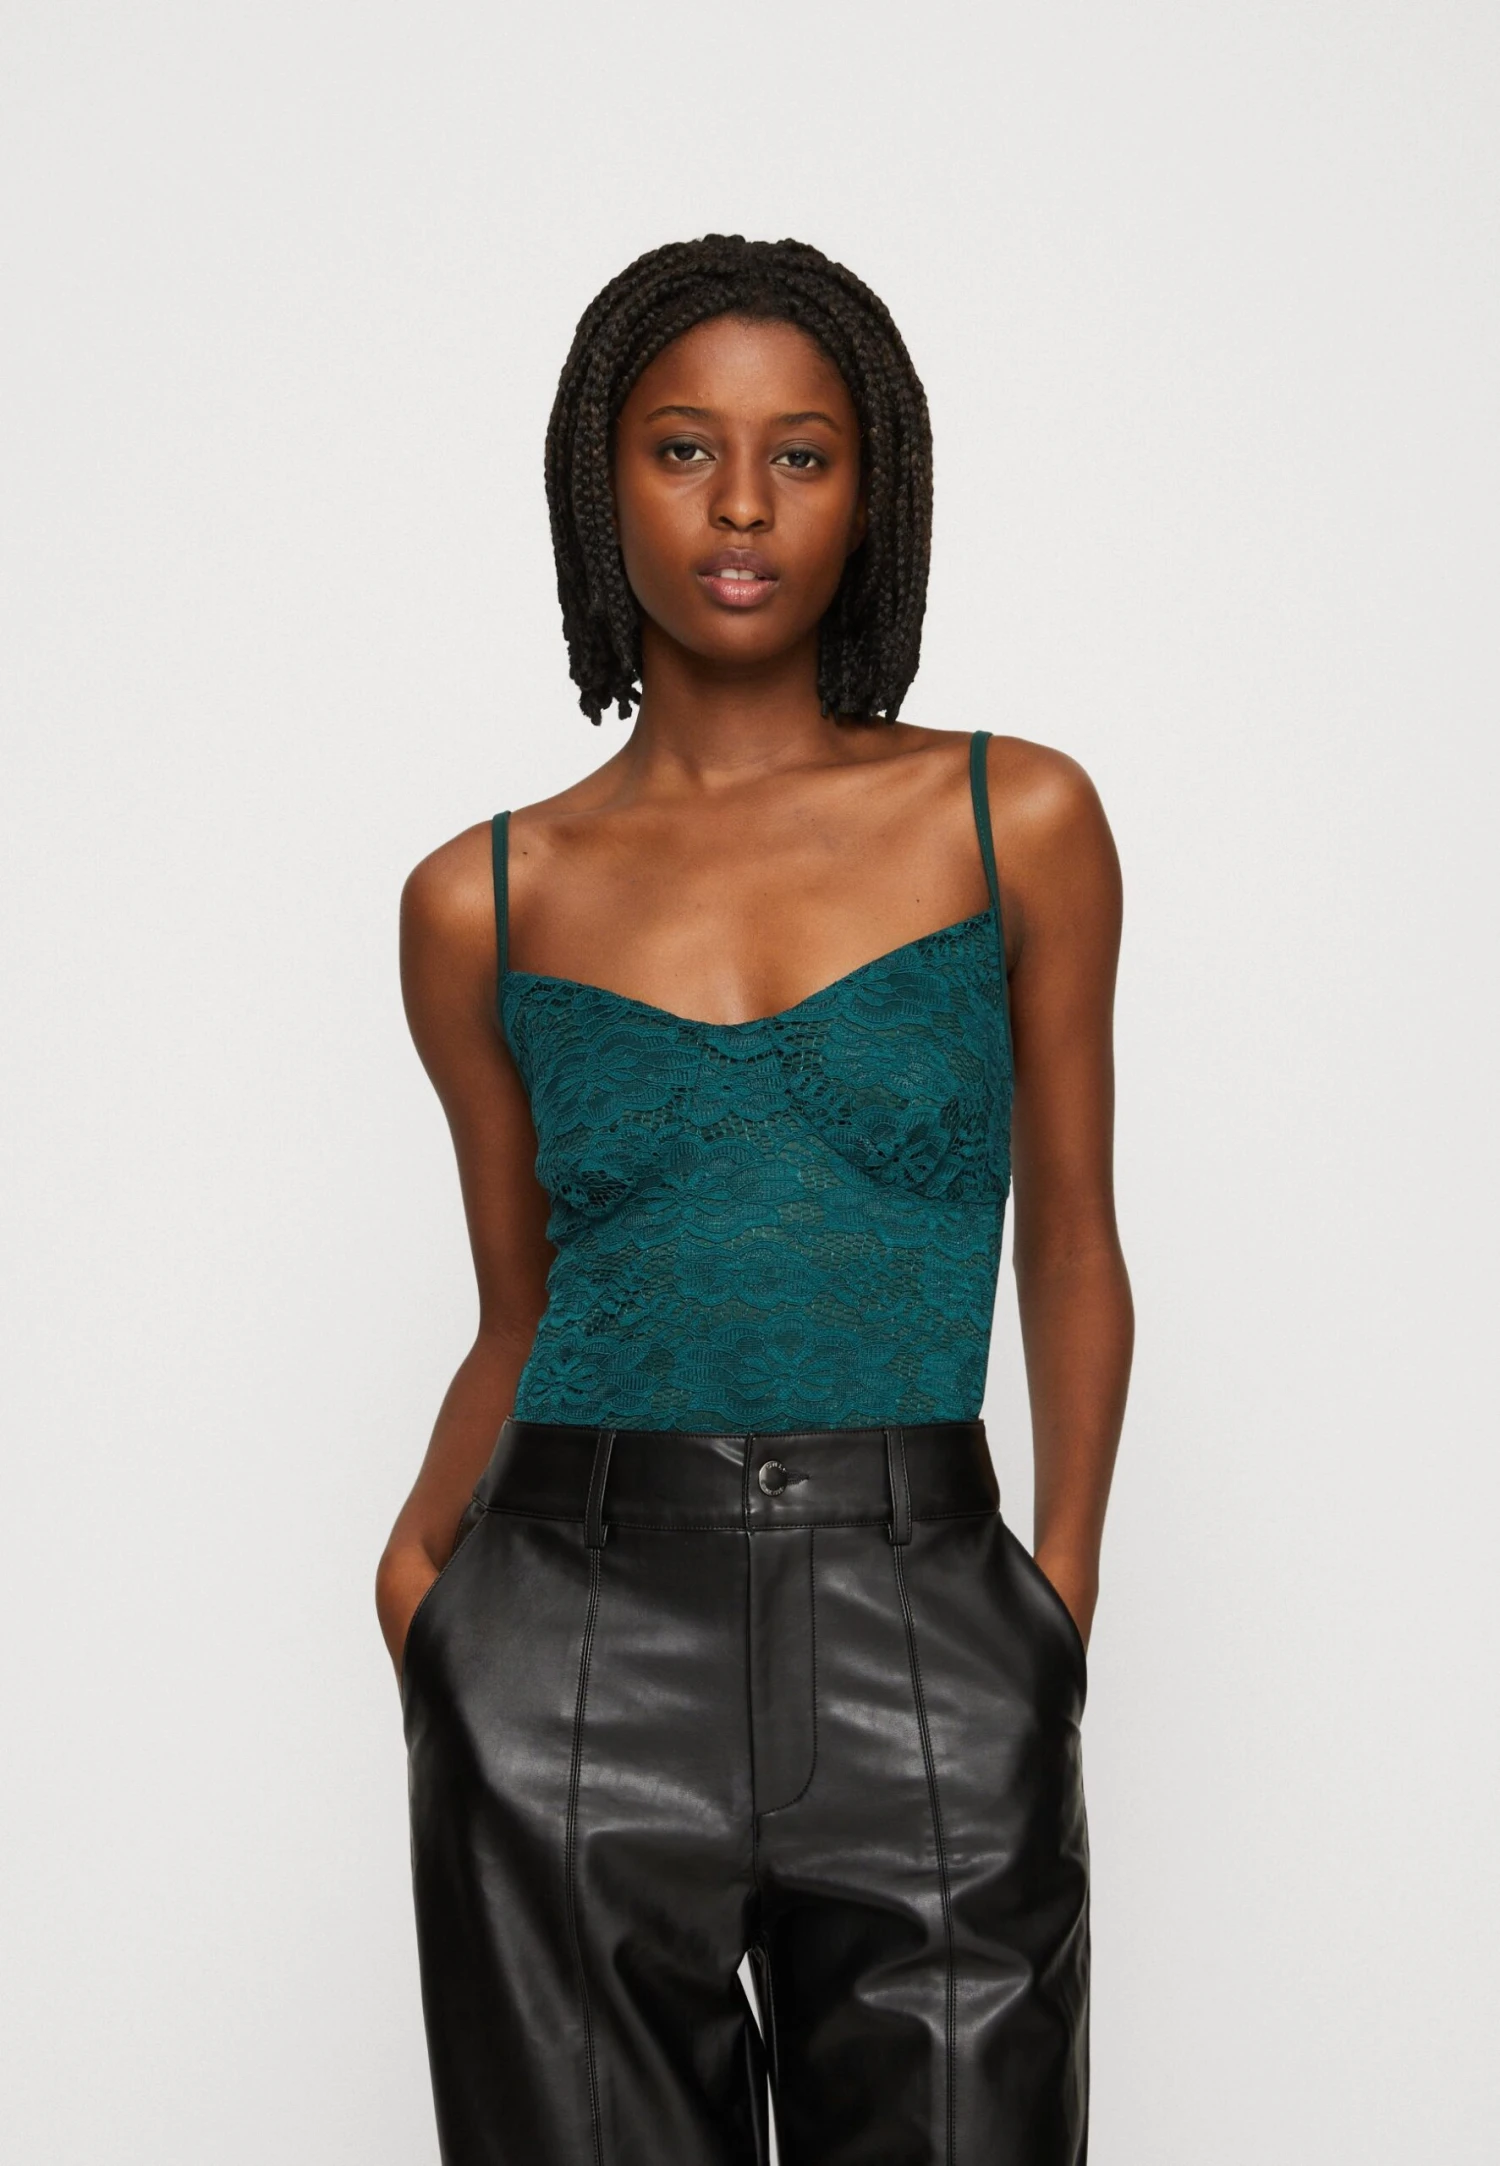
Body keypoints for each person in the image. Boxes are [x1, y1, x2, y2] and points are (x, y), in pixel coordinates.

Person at [377, 233, 1132, 2166]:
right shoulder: (481, 898)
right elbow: (522, 1304)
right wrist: (422, 1581)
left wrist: (1048, 1598)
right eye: (681, 448)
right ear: (596, 479)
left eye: (801, 454)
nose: (739, 504)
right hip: (565, 1633)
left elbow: (1070, 1238)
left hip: (926, 1623)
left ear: (874, 492)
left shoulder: (1017, 818)